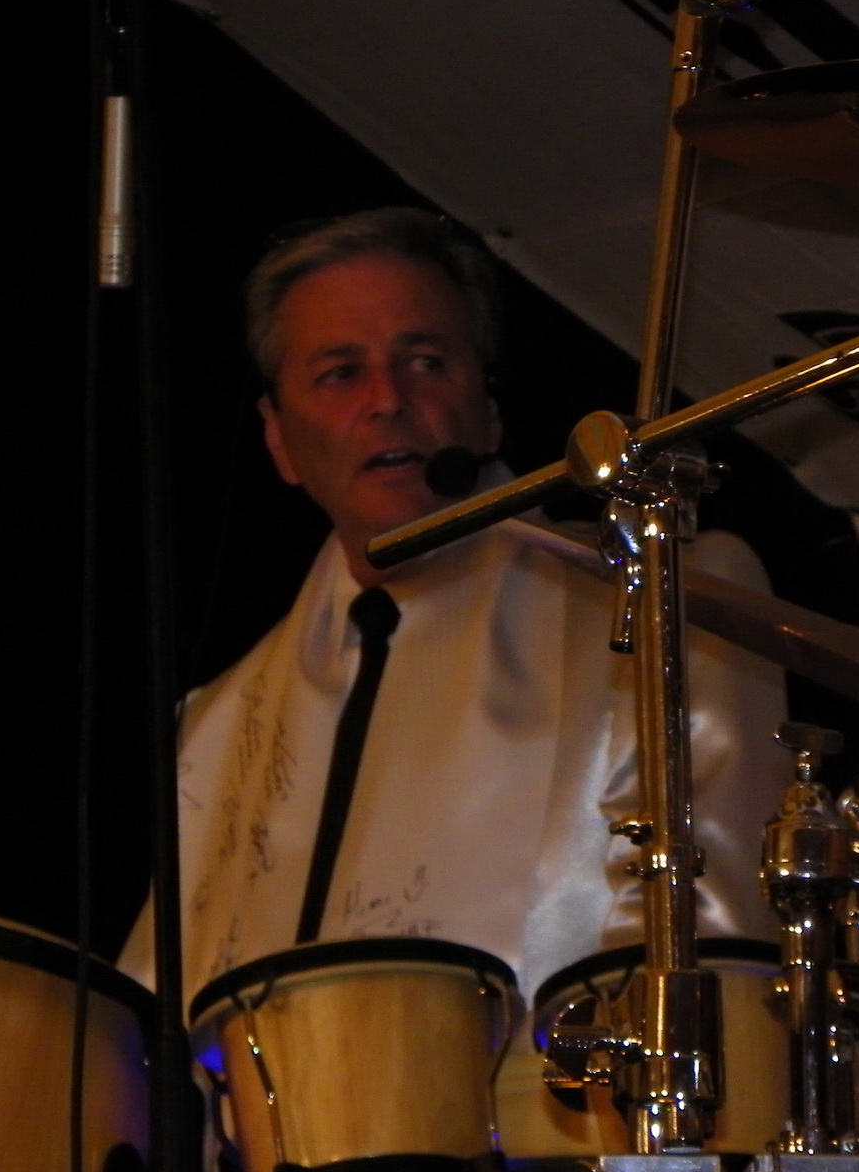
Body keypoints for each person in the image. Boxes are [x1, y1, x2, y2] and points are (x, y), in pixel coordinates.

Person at [121, 208, 789, 1004]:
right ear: (278, 438)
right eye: (340, 373)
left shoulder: (659, 599)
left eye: (426, 362)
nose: (388, 400)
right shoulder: (215, 727)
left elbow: (715, 970)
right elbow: (146, 1029)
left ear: (488, 408)